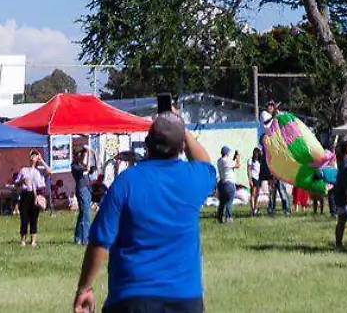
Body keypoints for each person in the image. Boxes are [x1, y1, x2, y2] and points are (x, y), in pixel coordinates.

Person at [72, 112, 215, 313]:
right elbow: (205, 164)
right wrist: (182, 129)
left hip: (132, 298)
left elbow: (100, 242)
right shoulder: (194, 179)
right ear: (182, 146)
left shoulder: (126, 182)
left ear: (147, 143)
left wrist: (84, 288)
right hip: (184, 299)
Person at [17, 150, 49, 248]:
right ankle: (23, 240)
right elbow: (16, 182)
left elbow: (50, 171)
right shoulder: (24, 170)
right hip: (25, 194)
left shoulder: (40, 170)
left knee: (34, 218)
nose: (33, 157)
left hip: (36, 195)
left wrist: (41, 160)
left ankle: (33, 241)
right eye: (32, 155)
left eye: (35, 156)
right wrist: (23, 181)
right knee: (24, 218)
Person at [73, 140, 97, 244]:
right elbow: (86, 167)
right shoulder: (75, 166)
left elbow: (94, 168)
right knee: (86, 214)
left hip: (87, 189)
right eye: (81, 153)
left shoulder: (81, 164)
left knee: (83, 214)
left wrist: (94, 154)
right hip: (81, 190)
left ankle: (78, 237)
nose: (83, 155)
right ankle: (85, 239)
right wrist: (87, 153)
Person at [212, 148, 237, 226]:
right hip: (229, 183)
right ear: (227, 153)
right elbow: (237, 165)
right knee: (229, 201)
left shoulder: (220, 160)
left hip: (221, 183)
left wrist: (234, 159)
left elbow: (229, 167)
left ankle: (219, 218)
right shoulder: (227, 161)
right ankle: (228, 218)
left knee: (222, 202)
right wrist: (238, 158)